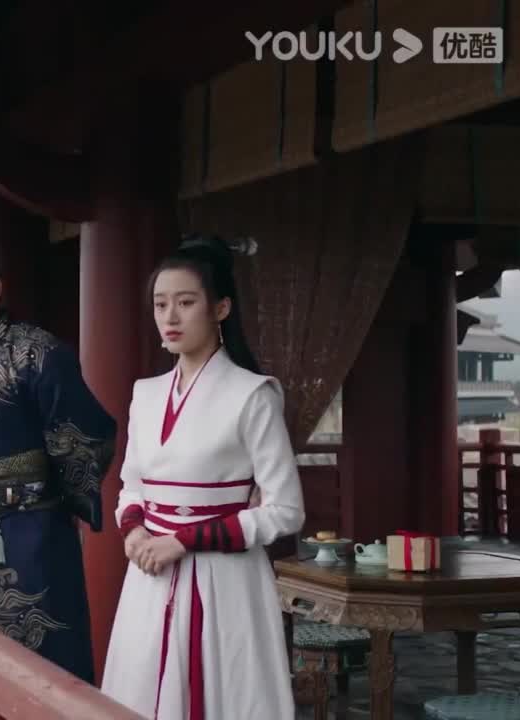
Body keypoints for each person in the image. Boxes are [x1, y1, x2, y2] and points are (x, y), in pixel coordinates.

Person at [101, 236, 305, 719]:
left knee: (225, 696)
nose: (170, 317)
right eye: (160, 304)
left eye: (186, 302)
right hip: (150, 574)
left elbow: (286, 511)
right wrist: (134, 532)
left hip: (224, 579)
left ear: (221, 309)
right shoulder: (145, 394)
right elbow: (132, 485)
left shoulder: (253, 395)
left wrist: (184, 540)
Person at [0, 213, 117, 707]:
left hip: (24, 533)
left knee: (32, 673)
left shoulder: (37, 353)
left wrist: (48, 503)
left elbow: (87, 436)